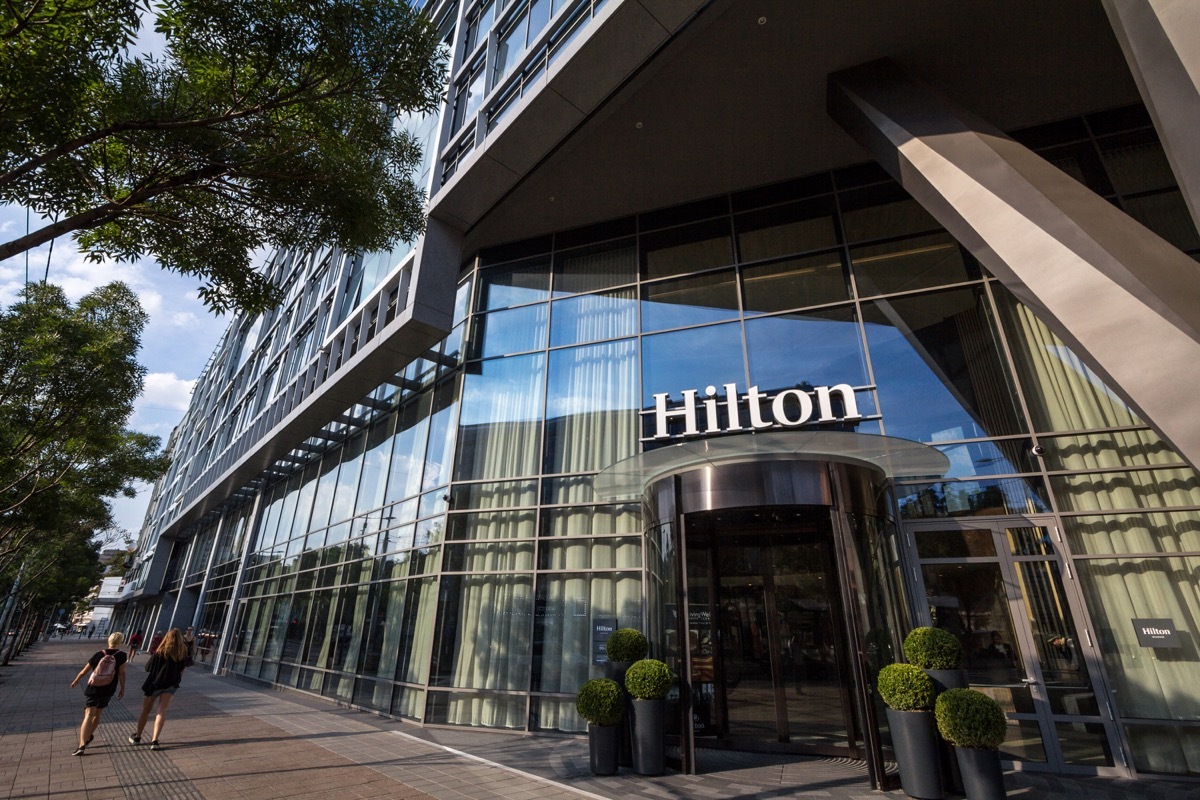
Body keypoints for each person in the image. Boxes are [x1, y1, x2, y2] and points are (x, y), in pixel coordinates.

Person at [129, 627, 193, 750]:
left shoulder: (160, 652)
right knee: (161, 711)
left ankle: (138, 736)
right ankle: (155, 740)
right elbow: (181, 671)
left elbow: (148, 668)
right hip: (171, 685)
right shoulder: (183, 653)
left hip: (154, 684)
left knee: (146, 711)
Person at [69, 631, 128, 756]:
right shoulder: (122, 655)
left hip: (94, 687)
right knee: (98, 713)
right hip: (109, 687)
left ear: (109, 641)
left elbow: (85, 670)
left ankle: (82, 744)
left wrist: (76, 680)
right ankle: (89, 735)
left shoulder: (99, 654)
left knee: (89, 714)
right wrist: (122, 688)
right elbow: (122, 673)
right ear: (120, 642)